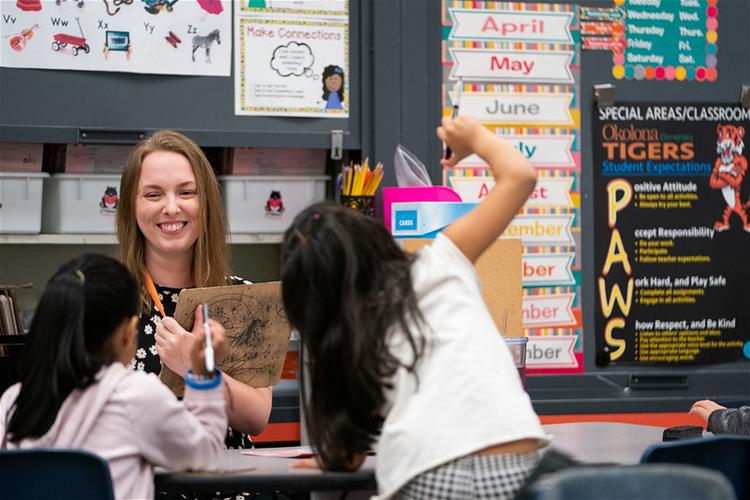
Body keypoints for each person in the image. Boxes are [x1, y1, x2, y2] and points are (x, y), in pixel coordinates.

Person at [280, 115, 549, 499]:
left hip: (428, 476)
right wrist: (474, 137)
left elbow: (348, 453)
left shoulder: (346, 335)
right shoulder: (442, 259)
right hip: (524, 468)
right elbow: (520, 176)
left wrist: (336, 458)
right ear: (376, 238)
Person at [0, 254, 227, 500]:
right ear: (129, 332)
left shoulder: (12, 403)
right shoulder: (135, 395)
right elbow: (203, 457)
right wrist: (202, 372)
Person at [116, 130, 272, 448]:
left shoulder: (243, 300)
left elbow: (256, 419)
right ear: (131, 206)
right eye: (153, 194)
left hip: (228, 490)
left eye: (187, 192)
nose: (172, 208)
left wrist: (195, 368)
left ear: (207, 203)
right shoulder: (107, 302)